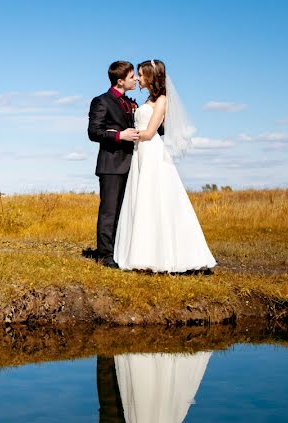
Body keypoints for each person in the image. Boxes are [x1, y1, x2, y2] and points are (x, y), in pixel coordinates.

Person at [113, 60, 216, 273]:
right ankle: (141, 253)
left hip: (151, 151)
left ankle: (164, 255)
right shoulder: (149, 99)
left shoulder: (161, 101)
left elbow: (150, 133)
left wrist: (124, 136)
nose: (138, 78)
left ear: (150, 76)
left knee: (154, 199)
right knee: (141, 200)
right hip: (140, 152)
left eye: (141, 74)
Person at [87, 61, 141, 268]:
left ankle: (120, 251)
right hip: (111, 164)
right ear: (120, 81)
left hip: (133, 165)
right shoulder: (101, 101)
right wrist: (120, 135)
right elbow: (94, 132)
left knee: (125, 211)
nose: (135, 79)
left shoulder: (130, 102)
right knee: (109, 211)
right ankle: (105, 255)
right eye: (131, 77)